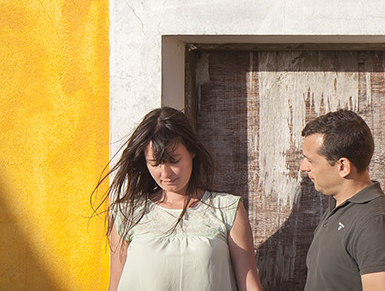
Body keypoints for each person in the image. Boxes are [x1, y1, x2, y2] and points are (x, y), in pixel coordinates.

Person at [99, 107, 265, 291]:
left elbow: (250, 285)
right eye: (155, 163)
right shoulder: (129, 213)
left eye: (174, 160)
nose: (165, 173)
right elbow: (115, 285)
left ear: (192, 151)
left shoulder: (226, 209)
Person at [299, 109, 385, 291]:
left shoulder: (375, 224)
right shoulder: (339, 208)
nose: (303, 167)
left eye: (310, 161)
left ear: (342, 166)